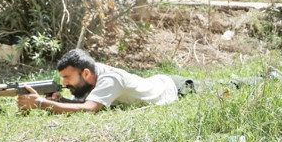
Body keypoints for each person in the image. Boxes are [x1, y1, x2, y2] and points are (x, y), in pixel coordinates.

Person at [16, 49, 194, 114]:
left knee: (216, 88)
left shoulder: (110, 79)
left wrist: (42, 104)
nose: (65, 83)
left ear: (85, 73)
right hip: (157, 81)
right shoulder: (90, 75)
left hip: (176, 87)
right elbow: (82, 103)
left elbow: (89, 109)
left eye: (68, 78)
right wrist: (60, 101)